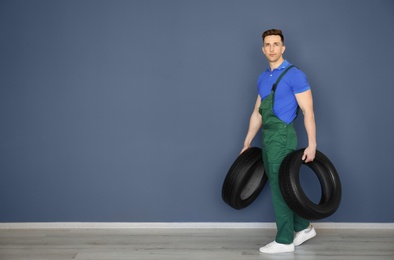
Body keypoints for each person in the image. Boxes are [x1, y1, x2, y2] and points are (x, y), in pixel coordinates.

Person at [240, 29, 317, 254]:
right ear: (263, 49)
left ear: (283, 48)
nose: (272, 48)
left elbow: (308, 111)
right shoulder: (263, 77)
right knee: (282, 184)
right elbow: (257, 112)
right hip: (267, 135)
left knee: (278, 186)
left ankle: (284, 240)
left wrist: (312, 144)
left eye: (276, 44)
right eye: (268, 44)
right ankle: (304, 227)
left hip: (282, 136)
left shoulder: (295, 75)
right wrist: (247, 142)